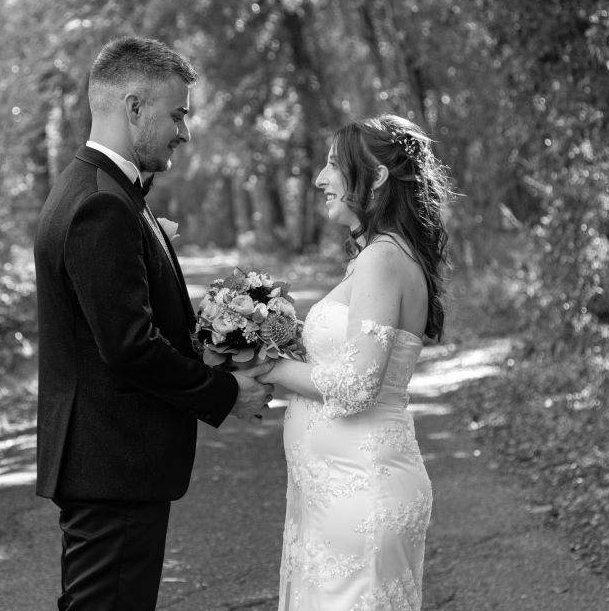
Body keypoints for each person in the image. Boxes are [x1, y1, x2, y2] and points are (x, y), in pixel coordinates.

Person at [33, 36, 273, 611]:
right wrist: (224, 393)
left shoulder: (96, 188)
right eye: (178, 114)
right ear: (135, 107)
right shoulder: (103, 205)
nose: (184, 131)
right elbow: (130, 347)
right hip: (114, 463)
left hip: (107, 463)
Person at [257, 114, 452, 611]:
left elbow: (357, 385)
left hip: (360, 490)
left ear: (377, 176)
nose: (320, 179)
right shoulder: (379, 255)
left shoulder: (383, 258)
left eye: (332, 165)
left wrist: (268, 368)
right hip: (337, 490)